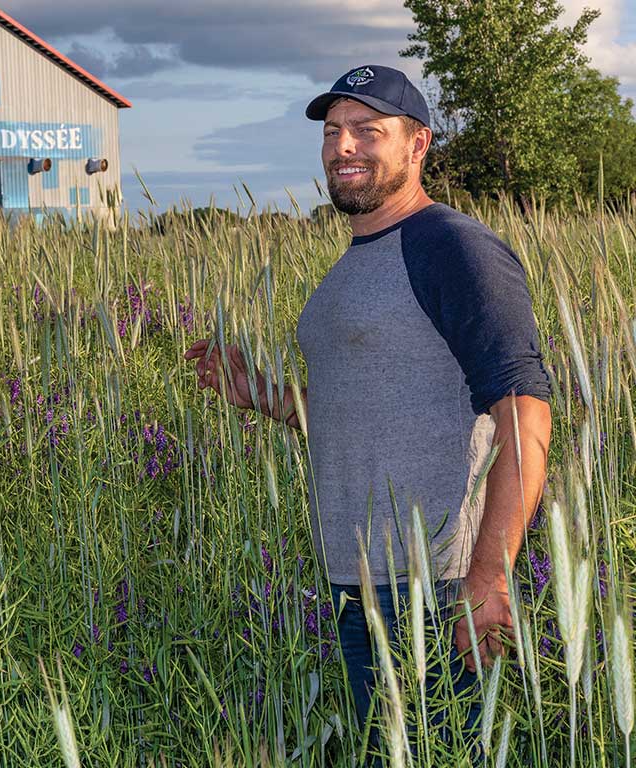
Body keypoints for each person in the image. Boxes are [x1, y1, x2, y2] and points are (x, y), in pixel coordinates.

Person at [183, 64, 552, 761]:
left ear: (418, 146)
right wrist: (260, 395)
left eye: (367, 131)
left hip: (434, 584)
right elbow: (362, 408)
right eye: (332, 131)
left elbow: (523, 408)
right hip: (359, 583)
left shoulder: (452, 246)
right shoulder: (354, 264)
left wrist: (489, 573)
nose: (343, 146)